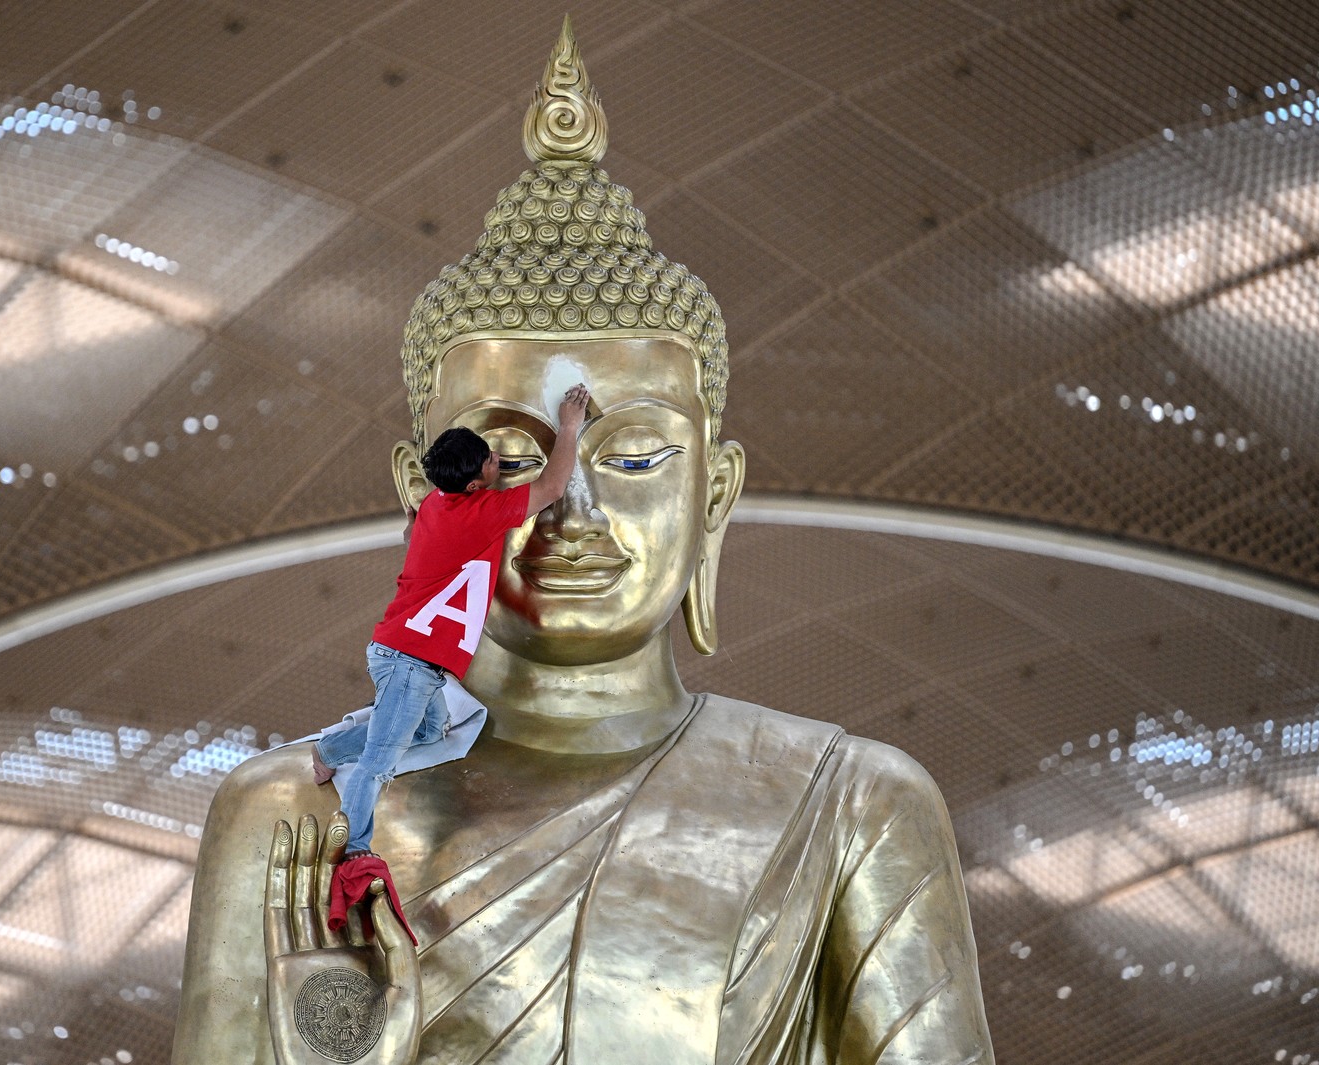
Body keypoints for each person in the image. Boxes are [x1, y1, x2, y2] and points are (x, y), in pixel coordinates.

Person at [173, 21, 992, 1065]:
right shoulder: (298, 823)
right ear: (418, 495)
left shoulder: (854, 806)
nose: (572, 515)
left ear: (716, 493)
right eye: (504, 463)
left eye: (642, 458)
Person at [312, 385, 590, 857]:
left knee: (427, 731)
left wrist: (414, 525)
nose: (498, 456)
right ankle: (354, 853)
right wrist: (568, 427)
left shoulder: (437, 504)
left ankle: (330, 751)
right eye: (490, 460)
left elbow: (411, 533)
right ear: (477, 487)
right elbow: (553, 488)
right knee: (379, 764)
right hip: (409, 663)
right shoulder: (479, 513)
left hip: (408, 655)